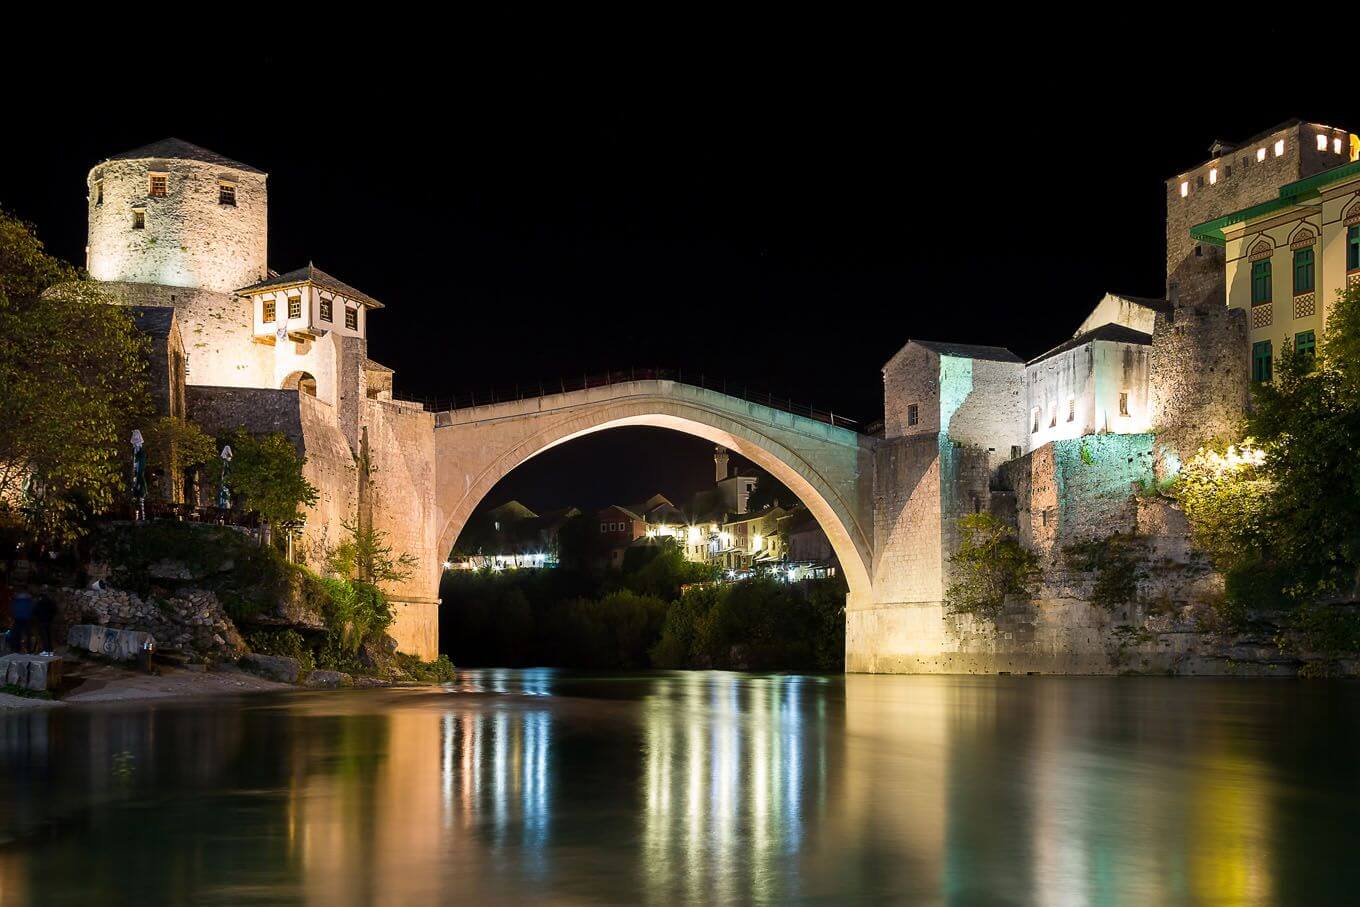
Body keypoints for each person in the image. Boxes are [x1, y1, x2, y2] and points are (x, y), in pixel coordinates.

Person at [10, 586, 34, 654]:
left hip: (18, 618)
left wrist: (13, 615)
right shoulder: (29, 598)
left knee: (17, 634)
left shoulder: (16, 598)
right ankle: (28, 649)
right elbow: (31, 608)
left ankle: (16, 648)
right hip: (27, 618)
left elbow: (13, 608)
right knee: (28, 634)